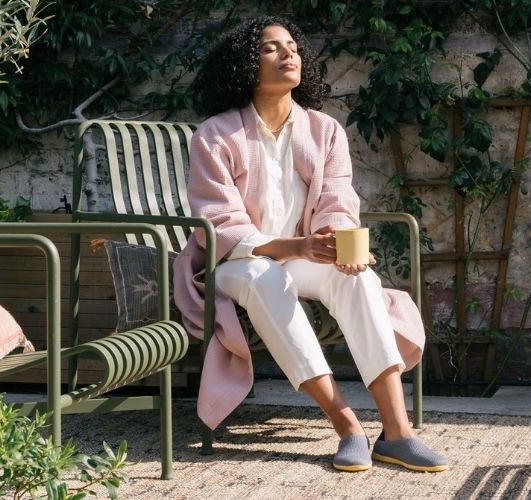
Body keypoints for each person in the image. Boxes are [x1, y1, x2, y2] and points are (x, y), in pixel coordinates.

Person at [172, 15, 447, 473]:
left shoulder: (324, 130)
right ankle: (347, 426)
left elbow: (339, 200)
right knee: (264, 276)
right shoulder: (215, 135)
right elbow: (218, 223)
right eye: (271, 48)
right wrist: (295, 246)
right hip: (235, 262)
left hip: (299, 256)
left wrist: (338, 245)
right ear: (244, 65)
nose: (289, 54)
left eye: (293, 46)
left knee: (358, 280)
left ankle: (397, 433)